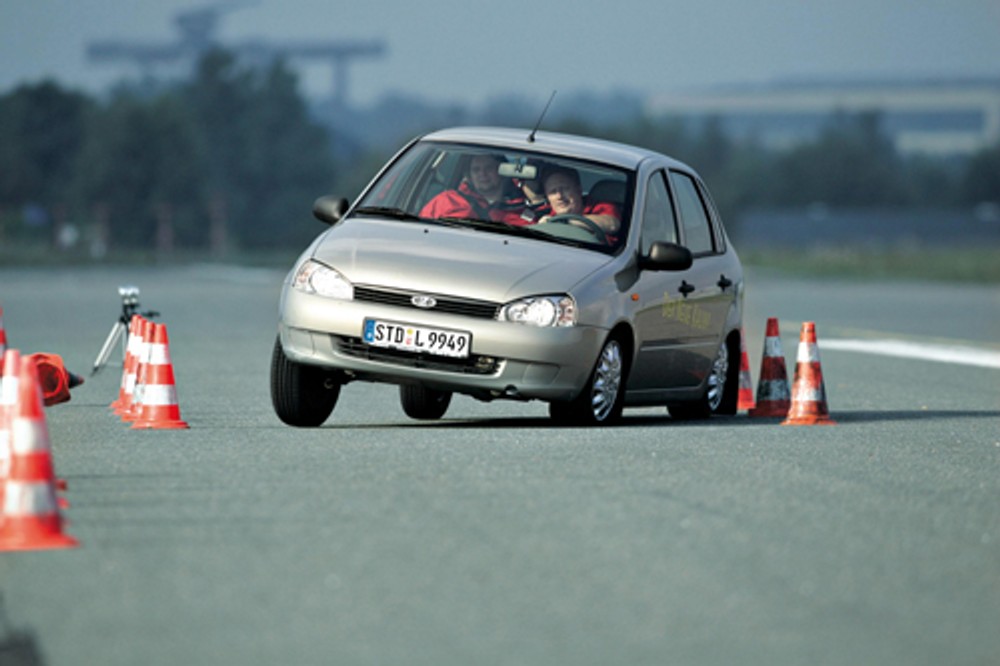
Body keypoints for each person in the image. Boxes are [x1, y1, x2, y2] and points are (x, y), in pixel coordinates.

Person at [419, 154, 543, 226]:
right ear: (469, 176)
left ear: (502, 171)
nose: (482, 174)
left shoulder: (523, 209)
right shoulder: (447, 200)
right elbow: (420, 230)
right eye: (476, 170)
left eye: (488, 168)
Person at [538, 166, 621, 240]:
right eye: (553, 192)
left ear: (579, 189)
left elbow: (612, 225)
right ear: (547, 197)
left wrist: (564, 222)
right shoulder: (542, 212)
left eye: (565, 189)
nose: (559, 196)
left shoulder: (600, 206)